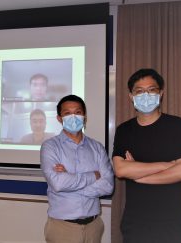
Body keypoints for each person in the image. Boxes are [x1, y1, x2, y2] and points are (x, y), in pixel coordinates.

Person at [112, 68, 181, 243]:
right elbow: (121, 170)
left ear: (161, 94)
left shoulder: (177, 126)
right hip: (135, 225)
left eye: (151, 90)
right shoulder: (124, 130)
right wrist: (169, 165)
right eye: (139, 91)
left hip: (172, 225)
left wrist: (139, 175)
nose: (146, 95)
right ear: (131, 96)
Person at [40, 94, 114, 243]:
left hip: (94, 226)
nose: (73, 116)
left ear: (84, 116)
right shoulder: (50, 146)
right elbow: (58, 184)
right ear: (59, 119)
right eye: (67, 113)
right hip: (62, 228)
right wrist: (94, 176)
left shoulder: (97, 147)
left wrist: (71, 179)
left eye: (78, 112)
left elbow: (108, 186)